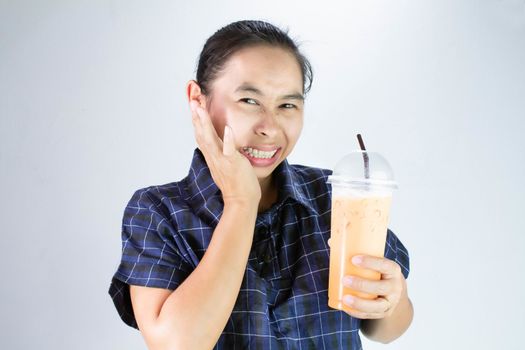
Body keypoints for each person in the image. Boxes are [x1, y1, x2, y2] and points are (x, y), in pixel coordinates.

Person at [108, 20, 413, 349]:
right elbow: (179, 344)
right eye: (249, 102)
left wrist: (392, 299)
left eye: (287, 105)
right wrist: (241, 202)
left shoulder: (333, 195)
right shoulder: (158, 212)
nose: (269, 127)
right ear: (198, 99)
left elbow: (384, 330)